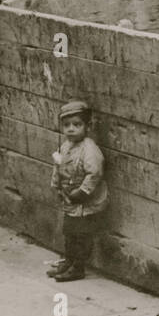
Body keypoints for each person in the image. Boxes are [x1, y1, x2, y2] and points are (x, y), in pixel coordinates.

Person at [48, 99, 107, 282]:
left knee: (81, 235)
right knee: (69, 232)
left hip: (85, 203)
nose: (71, 129)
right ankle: (69, 260)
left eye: (77, 125)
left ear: (87, 126)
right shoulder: (65, 146)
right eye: (67, 125)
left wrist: (82, 192)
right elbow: (58, 167)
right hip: (69, 201)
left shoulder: (90, 149)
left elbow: (94, 173)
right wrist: (56, 185)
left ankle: (78, 267)